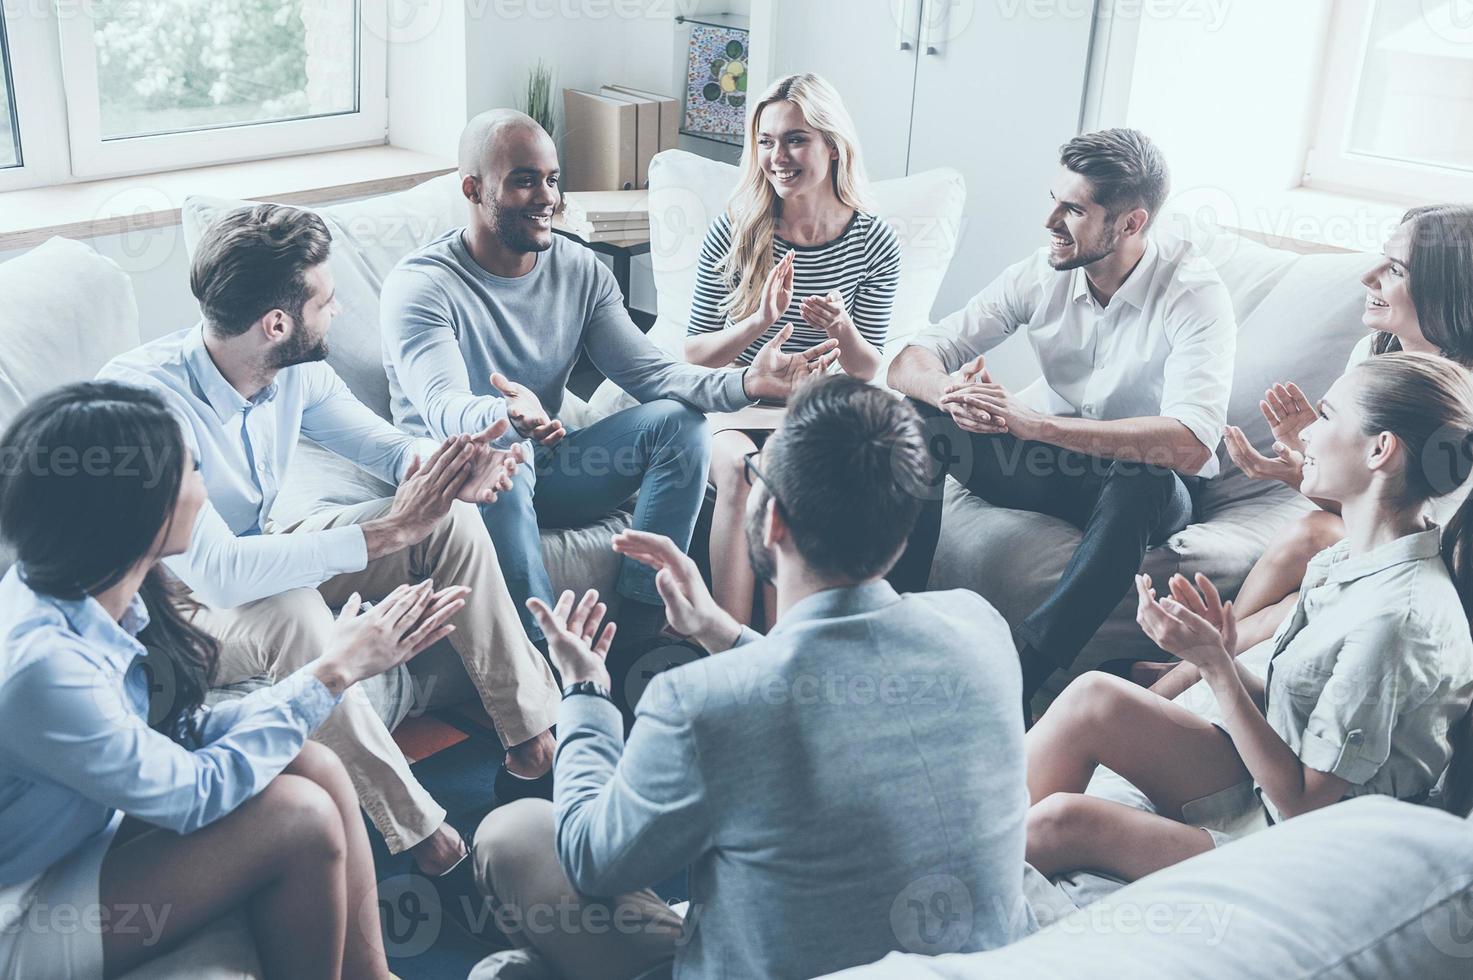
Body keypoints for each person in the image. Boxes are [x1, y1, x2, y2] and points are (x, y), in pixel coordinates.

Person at [467, 376, 1033, 980]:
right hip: (976, 958)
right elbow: (837, 687)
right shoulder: (982, 626)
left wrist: (584, 692)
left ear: (775, 522)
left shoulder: (702, 702)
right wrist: (722, 632)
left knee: (514, 835)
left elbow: (589, 860)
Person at [99, 203, 555, 879]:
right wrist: (387, 531)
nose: (339, 311)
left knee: (449, 523)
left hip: (271, 547)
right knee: (293, 610)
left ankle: (532, 748)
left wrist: (457, 466)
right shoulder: (145, 402)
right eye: (327, 300)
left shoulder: (294, 368)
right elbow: (220, 574)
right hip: (176, 602)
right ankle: (428, 839)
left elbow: (389, 449)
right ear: (277, 324)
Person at [0, 382, 465, 980]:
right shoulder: (45, 670)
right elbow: (193, 794)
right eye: (193, 469)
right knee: (299, 818)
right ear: (141, 511)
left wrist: (329, 675)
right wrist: (332, 673)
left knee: (314, 762)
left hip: (75, 839)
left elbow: (178, 729)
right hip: (22, 910)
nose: (206, 489)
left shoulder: (103, 586)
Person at [380, 109, 837, 675]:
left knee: (680, 423)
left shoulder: (579, 268)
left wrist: (745, 383)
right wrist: (504, 412)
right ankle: (547, 660)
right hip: (460, 474)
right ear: (473, 189)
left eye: (552, 178)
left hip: (551, 465)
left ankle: (643, 635)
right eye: (524, 180)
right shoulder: (421, 286)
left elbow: (653, 374)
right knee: (501, 454)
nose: (546, 196)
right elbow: (440, 405)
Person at [1023, 352, 1473, 884]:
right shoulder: (1347, 560)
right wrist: (1210, 650)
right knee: (1092, 696)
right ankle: (956, 832)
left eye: (1326, 417)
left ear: (1381, 451)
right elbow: (1293, 710)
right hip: (1272, 781)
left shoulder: (1395, 620)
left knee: (1060, 823)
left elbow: (1306, 808)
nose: (1306, 435)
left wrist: (1216, 666)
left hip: (1309, 845)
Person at [884, 128, 1236, 712]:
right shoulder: (1041, 271)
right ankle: (893, 622)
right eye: (1055, 198)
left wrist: (1036, 425)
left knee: (1138, 478)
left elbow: (1194, 444)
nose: (1050, 220)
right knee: (917, 414)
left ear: (1130, 224)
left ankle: (1019, 681)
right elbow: (909, 359)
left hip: (1137, 485)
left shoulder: (1193, 293)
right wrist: (949, 393)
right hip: (1049, 468)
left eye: (1073, 208)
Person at [1149, 205, 1473, 687]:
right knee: (1311, 533)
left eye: (1395, 269)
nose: (1368, 276)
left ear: (1446, 293)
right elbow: (1365, 502)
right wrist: (1301, 463)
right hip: (1381, 531)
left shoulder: (1459, 402)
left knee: (1308, 568)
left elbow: (1418, 523)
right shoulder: (1373, 352)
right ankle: (1192, 667)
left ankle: (1180, 676)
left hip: (1438, 561)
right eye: (1381, 259)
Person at [685, 72, 902, 627]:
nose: (777, 156)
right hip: (737, 401)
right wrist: (758, 322)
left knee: (784, 472)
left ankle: (780, 648)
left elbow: (869, 366)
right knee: (738, 470)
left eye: (795, 139)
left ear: (833, 146)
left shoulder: (873, 240)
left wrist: (843, 329)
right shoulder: (737, 229)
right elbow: (696, 352)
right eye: (766, 141)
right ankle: (728, 646)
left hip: (812, 408)